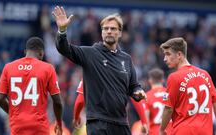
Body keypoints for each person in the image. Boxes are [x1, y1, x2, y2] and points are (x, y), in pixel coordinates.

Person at [52, 6, 146, 135]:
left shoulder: (126, 59)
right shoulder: (90, 53)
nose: (108, 31)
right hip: (98, 122)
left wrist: (138, 92)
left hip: (121, 122)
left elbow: (133, 86)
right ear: (101, 33)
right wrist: (62, 31)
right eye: (105, 29)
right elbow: (64, 49)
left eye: (113, 29)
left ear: (119, 33)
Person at [0, 37, 63, 135]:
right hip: (39, 127)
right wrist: (59, 122)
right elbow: (57, 101)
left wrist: (13, 114)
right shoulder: (48, 68)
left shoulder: (8, 68)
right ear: (41, 53)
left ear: (25, 52)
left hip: (17, 127)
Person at [159, 37, 216, 135]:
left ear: (179, 55)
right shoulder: (205, 74)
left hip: (183, 131)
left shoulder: (174, 77)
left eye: (168, 54)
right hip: (205, 131)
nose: (165, 59)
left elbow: (168, 108)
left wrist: (162, 129)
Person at [72, 79, 148, 134]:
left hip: (98, 124)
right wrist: (144, 122)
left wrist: (76, 117)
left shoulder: (91, 69)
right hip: (119, 124)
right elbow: (137, 98)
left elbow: (80, 101)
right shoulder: (123, 67)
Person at [144, 68, 172, 135]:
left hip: (155, 132)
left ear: (150, 80)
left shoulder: (147, 96)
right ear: (162, 80)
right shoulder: (168, 93)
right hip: (170, 131)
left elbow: (145, 121)